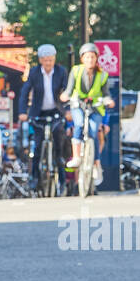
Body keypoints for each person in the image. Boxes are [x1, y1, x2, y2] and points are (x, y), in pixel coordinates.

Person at [17, 44, 68, 185]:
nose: (48, 63)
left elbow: (67, 90)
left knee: (59, 141)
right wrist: (22, 112)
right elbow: (25, 92)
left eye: (50, 60)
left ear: (54, 59)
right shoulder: (34, 73)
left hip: (56, 111)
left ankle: (62, 177)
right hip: (38, 112)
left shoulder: (61, 71)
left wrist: (67, 109)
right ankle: (35, 177)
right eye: (45, 60)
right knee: (37, 146)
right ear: (40, 60)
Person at [61, 42, 113, 170]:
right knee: (78, 125)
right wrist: (65, 96)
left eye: (92, 57)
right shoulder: (76, 71)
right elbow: (69, 89)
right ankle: (77, 157)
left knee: (93, 132)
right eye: (87, 57)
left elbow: (106, 93)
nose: (90, 60)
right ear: (82, 59)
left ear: (96, 58)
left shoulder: (102, 75)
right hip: (78, 105)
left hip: (95, 108)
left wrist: (108, 101)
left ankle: (96, 163)